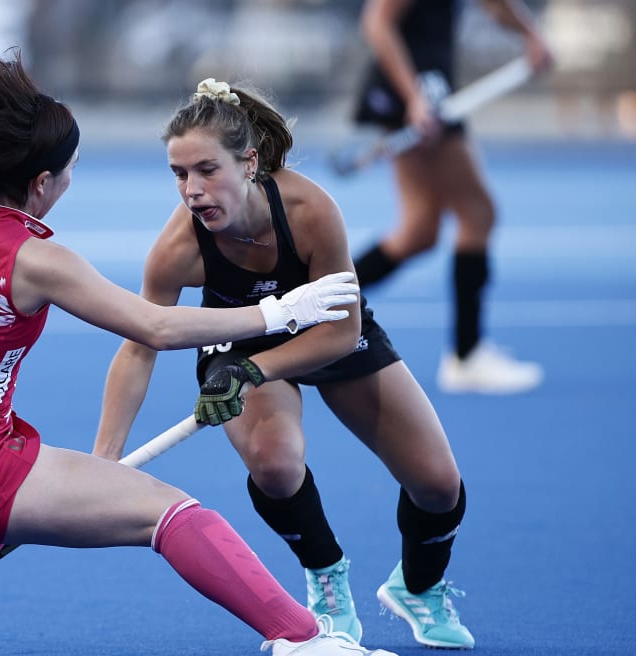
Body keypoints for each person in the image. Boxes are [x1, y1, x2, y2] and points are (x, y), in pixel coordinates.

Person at [0, 50, 399, 656]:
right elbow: (154, 327)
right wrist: (276, 313)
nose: (70, 180)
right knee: (171, 514)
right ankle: (304, 639)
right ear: (42, 182)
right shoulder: (38, 261)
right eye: (68, 170)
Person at [93, 77, 474, 649]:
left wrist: (257, 373)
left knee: (439, 485)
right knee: (274, 461)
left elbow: (343, 331)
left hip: (326, 334)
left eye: (206, 169)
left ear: (248, 164)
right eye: (179, 174)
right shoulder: (179, 248)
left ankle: (418, 587)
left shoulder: (310, 211)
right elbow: (139, 345)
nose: (192, 190)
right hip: (237, 339)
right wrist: (104, 461)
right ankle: (325, 575)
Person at [351, 0, 553, 394]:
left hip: (426, 91)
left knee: (419, 231)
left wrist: (532, 35)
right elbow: (377, 22)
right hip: (417, 94)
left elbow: (495, 4)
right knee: (478, 213)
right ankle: (467, 355)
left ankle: (307, 305)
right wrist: (414, 97)